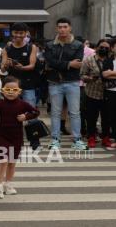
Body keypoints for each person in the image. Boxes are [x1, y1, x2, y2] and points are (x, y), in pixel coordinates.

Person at [0, 76, 39, 199]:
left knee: (12, 162)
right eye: (8, 89)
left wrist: (26, 117)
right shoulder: (0, 104)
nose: (11, 92)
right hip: (3, 136)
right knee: (3, 161)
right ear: (2, 90)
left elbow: (36, 112)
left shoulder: (23, 104)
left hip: (17, 136)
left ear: (19, 91)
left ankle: (8, 184)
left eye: (14, 90)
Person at [45, 18, 88, 150]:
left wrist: (63, 65)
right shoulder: (50, 45)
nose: (62, 29)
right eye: (60, 27)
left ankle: (77, 140)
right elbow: (50, 62)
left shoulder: (78, 45)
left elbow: (78, 63)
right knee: (55, 112)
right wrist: (69, 63)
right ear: (56, 29)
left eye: (65, 27)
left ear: (70, 28)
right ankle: (55, 140)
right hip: (54, 82)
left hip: (72, 82)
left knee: (75, 112)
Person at [80, 39, 111, 148]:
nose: (103, 49)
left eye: (106, 48)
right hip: (92, 93)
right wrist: (90, 78)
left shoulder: (111, 60)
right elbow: (82, 75)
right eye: (101, 47)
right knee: (91, 117)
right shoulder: (89, 60)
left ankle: (106, 137)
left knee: (106, 117)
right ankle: (91, 137)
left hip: (108, 93)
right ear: (97, 48)